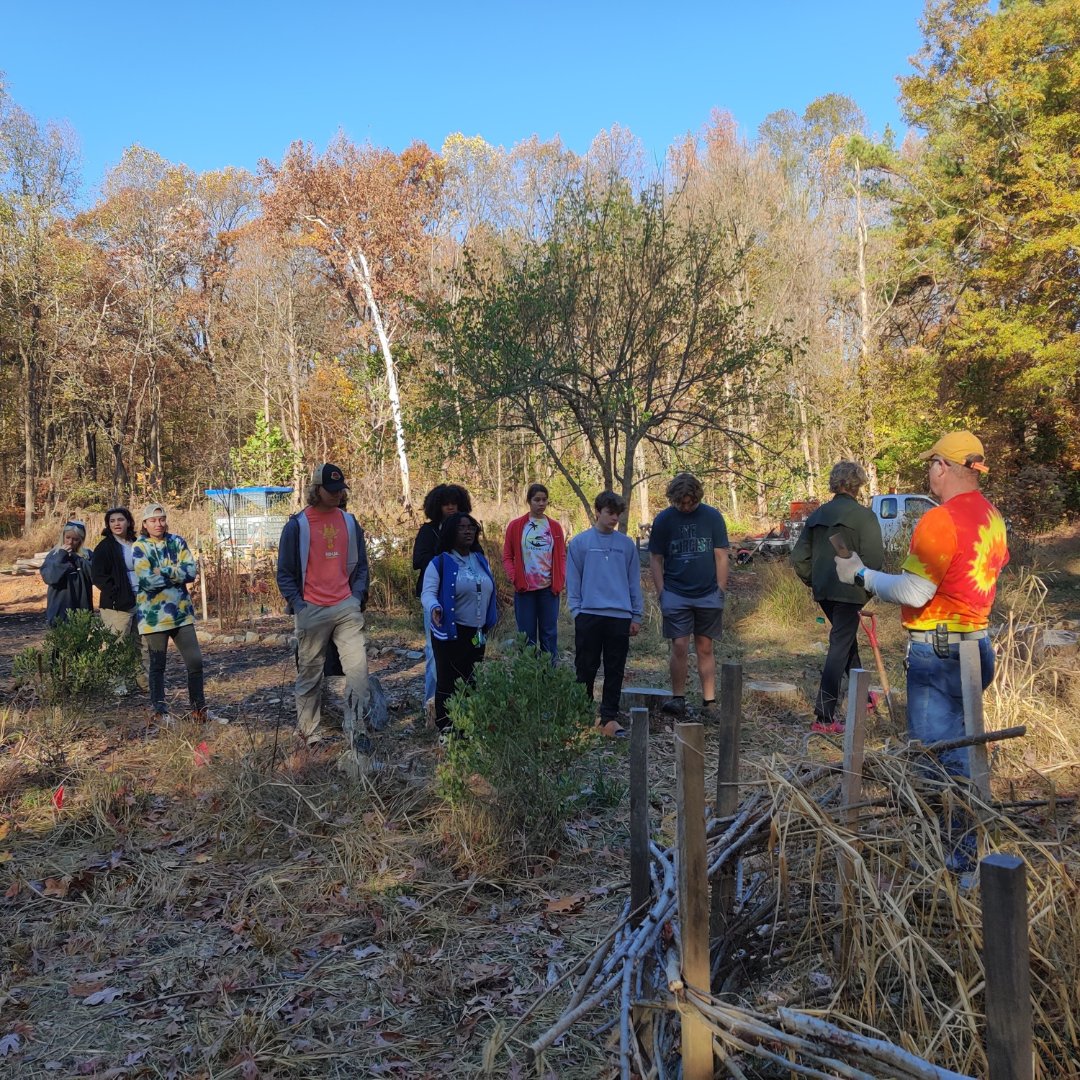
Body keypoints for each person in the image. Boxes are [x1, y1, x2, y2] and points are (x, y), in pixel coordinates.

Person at [834, 432, 1009, 872]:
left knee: (938, 761)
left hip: (939, 653)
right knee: (964, 749)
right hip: (977, 647)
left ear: (943, 467)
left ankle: (955, 863)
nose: (929, 472)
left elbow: (914, 590)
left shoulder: (939, 520)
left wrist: (861, 575)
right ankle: (968, 853)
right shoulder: (993, 518)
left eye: (931, 463)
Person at [276, 464, 371, 757]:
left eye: (340, 489)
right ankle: (309, 733)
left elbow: (363, 566)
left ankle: (358, 730)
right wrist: (300, 606)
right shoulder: (297, 525)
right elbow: (285, 573)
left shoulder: (350, 522)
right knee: (310, 673)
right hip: (312, 607)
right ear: (315, 490)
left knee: (358, 670)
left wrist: (356, 597)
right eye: (331, 490)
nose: (337, 494)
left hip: (345, 605)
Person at [791, 463, 884, 734]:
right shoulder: (864, 517)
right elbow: (875, 560)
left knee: (845, 640)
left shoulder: (818, 514)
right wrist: (864, 589)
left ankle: (864, 696)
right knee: (840, 644)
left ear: (835, 484)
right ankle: (824, 715)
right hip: (851, 590)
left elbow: (798, 558)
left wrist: (814, 580)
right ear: (858, 485)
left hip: (825, 591)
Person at [648, 472, 729, 717]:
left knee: (705, 646)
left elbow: (721, 554)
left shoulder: (712, 517)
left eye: (689, 502)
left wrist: (721, 590)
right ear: (673, 499)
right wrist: (661, 591)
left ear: (697, 497)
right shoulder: (664, 519)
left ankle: (709, 702)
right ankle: (678, 698)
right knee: (680, 645)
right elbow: (655, 557)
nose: (685, 507)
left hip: (707, 593)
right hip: (675, 593)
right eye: (680, 502)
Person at [133, 503, 219, 724]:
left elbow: (191, 572)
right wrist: (176, 573)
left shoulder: (177, 541)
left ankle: (199, 710)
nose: (158, 524)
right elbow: (146, 581)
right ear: (144, 523)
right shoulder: (140, 547)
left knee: (195, 662)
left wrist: (163, 570)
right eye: (153, 520)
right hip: (153, 616)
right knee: (157, 665)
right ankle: (160, 712)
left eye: (161, 519)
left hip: (181, 613)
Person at [566, 491, 643, 734]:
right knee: (586, 666)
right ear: (597, 512)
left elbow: (633, 581)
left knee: (615, 667)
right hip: (589, 613)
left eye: (617, 514)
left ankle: (609, 717)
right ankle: (582, 714)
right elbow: (573, 580)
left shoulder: (626, 545)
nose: (614, 518)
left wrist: (636, 614)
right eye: (610, 513)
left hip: (620, 615)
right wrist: (576, 610)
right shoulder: (580, 543)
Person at [422, 512, 498, 733]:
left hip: (477, 631)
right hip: (450, 632)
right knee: (447, 679)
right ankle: (446, 728)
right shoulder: (440, 563)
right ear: (450, 532)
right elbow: (427, 593)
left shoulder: (481, 560)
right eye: (462, 527)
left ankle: (467, 726)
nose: (468, 531)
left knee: (471, 678)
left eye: (471, 527)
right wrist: (435, 607)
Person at [412, 484, 472, 725]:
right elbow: (419, 560)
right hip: (435, 597)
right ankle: (432, 705)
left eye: (454, 503)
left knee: (463, 652)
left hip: (463, 600)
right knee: (433, 651)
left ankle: (460, 704)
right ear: (436, 506)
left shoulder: (466, 529)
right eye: (446, 503)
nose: (450, 507)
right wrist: (444, 560)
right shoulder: (428, 532)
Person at [502, 483, 566, 657]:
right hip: (525, 590)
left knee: (549, 635)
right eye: (537, 499)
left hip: (548, 590)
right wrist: (513, 576)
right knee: (526, 636)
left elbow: (561, 556)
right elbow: (507, 556)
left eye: (544, 500)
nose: (541, 503)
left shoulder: (554, 527)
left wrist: (560, 580)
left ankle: (549, 677)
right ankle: (528, 678)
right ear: (529, 501)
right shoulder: (516, 526)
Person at [91, 506, 149, 690]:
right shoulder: (105, 547)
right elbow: (98, 576)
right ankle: (117, 682)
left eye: (120, 519)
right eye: (112, 521)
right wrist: (116, 593)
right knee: (117, 643)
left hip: (141, 599)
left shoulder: (137, 542)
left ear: (129, 522)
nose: (117, 523)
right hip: (117, 604)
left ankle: (144, 681)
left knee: (142, 643)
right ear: (108, 525)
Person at [41, 520, 94, 627]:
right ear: (63, 536)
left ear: (81, 540)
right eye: (68, 537)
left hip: (82, 608)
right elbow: (50, 578)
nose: (70, 542)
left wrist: (76, 558)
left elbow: (94, 576)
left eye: (75, 539)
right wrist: (62, 556)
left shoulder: (87, 555)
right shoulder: (54, 554)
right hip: (59, 608)